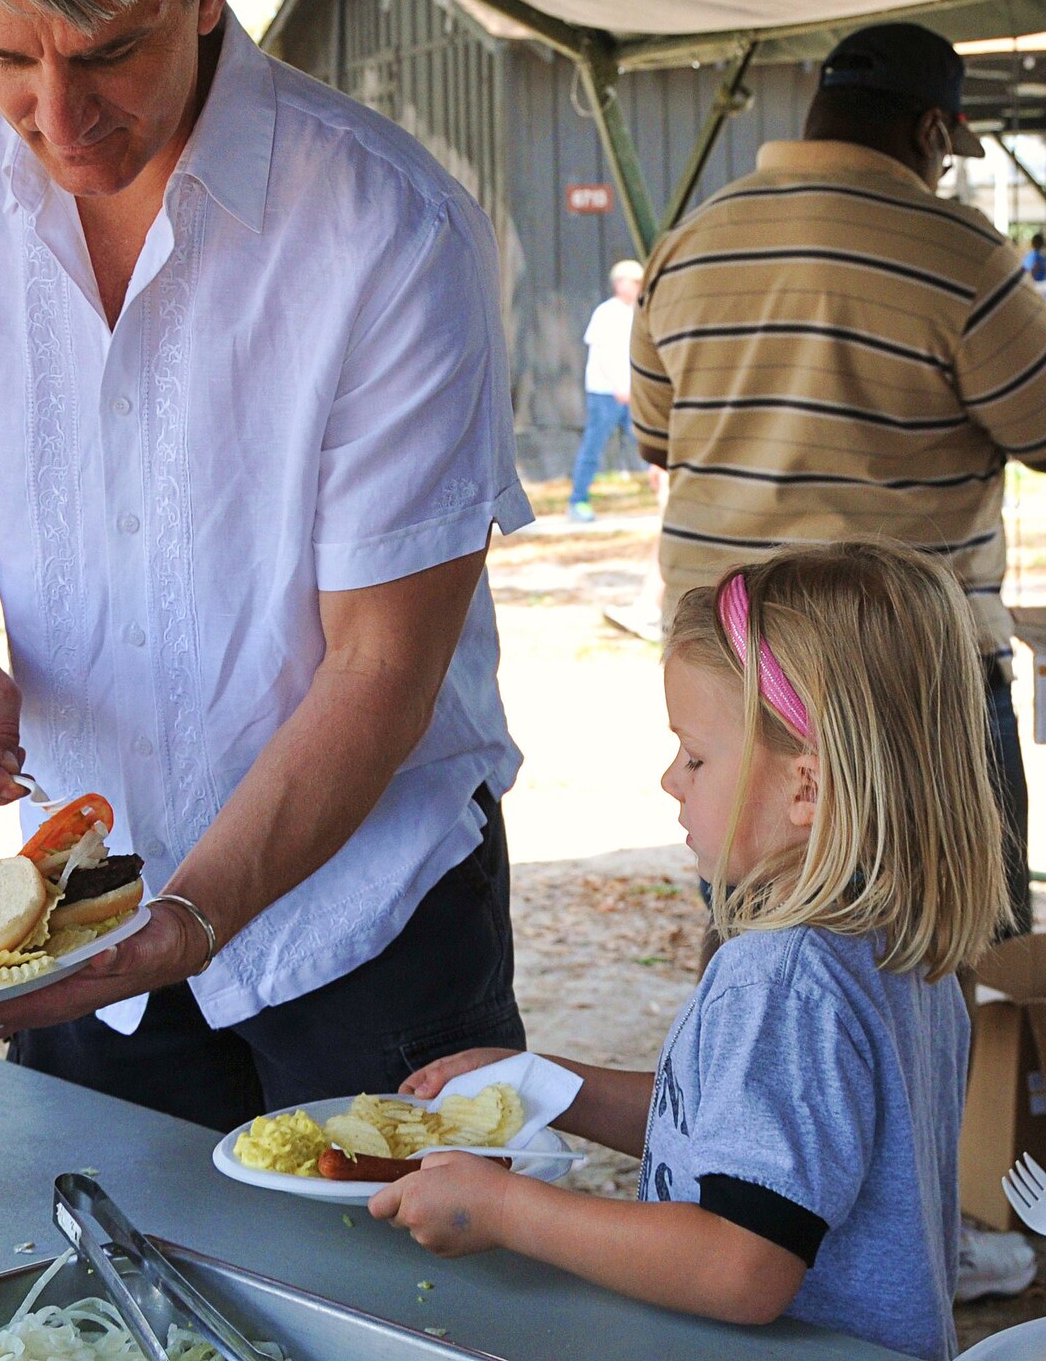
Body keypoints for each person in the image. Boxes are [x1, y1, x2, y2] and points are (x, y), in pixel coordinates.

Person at [0, 0, 531, 1130]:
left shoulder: (383, 228)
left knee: (402, 1323)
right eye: (3, 59)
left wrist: (194, 914)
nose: (59, 118)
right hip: (85, 912)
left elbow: (381, 666)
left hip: (368, 912)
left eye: (106, 51)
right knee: (109, 1324)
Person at [372, 540, 1005, 1361]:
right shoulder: (896, 954)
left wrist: (501, 1210)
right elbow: (744, 1136)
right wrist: (546, 1086)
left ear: (806, 787)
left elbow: (742, 1262)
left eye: (697, 756)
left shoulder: (782, 980)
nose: (673, 779)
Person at [631, 21, 1046, 940]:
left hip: (731, 665)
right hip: (906, 672)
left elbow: (657, 438)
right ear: (934, 132)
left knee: (756, 947)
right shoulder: (962, 256)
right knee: (955, 958)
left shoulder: (690, 245)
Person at [567, 258, 643, 523]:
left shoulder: (640, 311)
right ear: (619, 283)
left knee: (647, 444)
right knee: (593, 446)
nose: (636, 287)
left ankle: (667, 501)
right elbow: (601, 354)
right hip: (605, 393)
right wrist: (618, 386)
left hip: (633, 393)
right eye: (632, 282)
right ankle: (577, 501)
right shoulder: (606, 312)